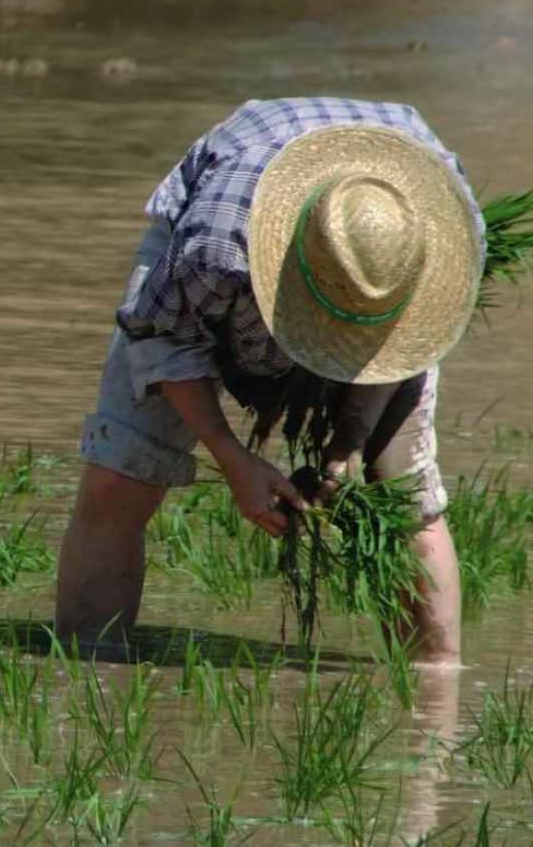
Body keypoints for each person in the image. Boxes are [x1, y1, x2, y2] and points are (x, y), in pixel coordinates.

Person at [55, 98, 484, 662]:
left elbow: (397, 351)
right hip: (223, 238)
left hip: (391, 241)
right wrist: (233, 458)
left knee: (408, 502)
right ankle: (88, 662)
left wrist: (345, 451)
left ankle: (436, 690)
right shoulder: (215, 247)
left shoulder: (440, 241)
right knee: (120, 476)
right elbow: (161, 337)